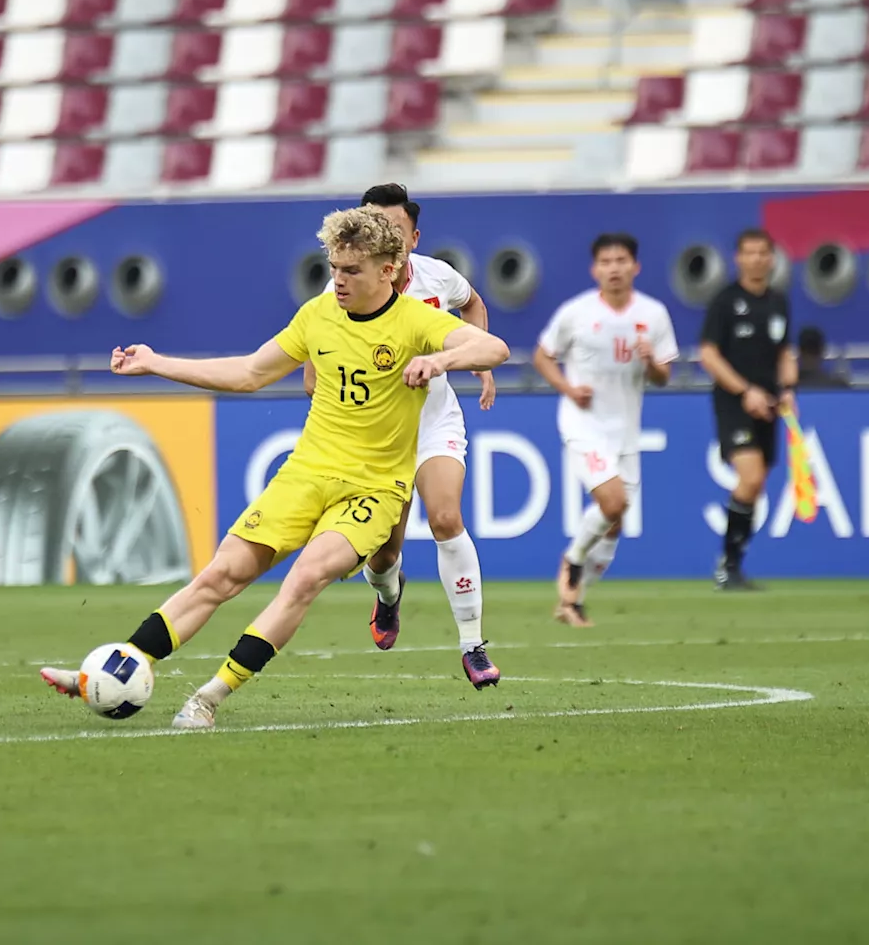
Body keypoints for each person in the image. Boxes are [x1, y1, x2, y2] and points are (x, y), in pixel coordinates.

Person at [40, 206, 509, 728]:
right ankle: (115, 668)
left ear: (388, 268)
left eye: (352, 270)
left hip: (373, 491)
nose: (339, 280)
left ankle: (208, 698)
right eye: (333, 267)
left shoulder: (416, 321)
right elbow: (248, 373)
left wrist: (438, 360)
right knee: (223, 574)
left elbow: (494, 346)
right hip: (305, 475)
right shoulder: (317, 314)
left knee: (304, 578)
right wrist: (155, 362)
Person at [304, 183, 499, 688]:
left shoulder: (438, 277)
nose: (381, 235)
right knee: (384, 553)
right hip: (378, 439)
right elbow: (312, 377)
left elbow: (473, 306)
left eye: (391, 228)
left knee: (446, 517)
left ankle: (473, 645)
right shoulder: (340, 294)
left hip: (434, 420)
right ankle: (389, 597)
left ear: (412, 235)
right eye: (373, 226)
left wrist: (476, 365)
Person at [532, 234, 677, 628]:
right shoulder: (576, 312)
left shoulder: (654, 314)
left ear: (636, 266)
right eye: (607, 261)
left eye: (622, 260)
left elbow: (664, 375)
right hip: (584, 424)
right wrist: (567, 387)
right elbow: (543, 354)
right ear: (595, 269)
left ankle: (571, 599)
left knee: (615, 524)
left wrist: (651, 363)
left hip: (625, 431)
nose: (614, 267)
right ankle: (573, 562)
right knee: (612, 503)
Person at [699, 228, 798, 591]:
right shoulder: (725, 302)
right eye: (749, 253)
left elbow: (785, 351)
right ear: (737, 258)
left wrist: (787, 389)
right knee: (751, 476)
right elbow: (708, 354)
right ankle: (727, 565)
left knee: (757, 485)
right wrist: (745, 391)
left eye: (763, 253)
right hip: (735, 403)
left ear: (772, 258)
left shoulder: (778, 301)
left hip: (770, 404)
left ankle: (734, 566)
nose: (756, 259)